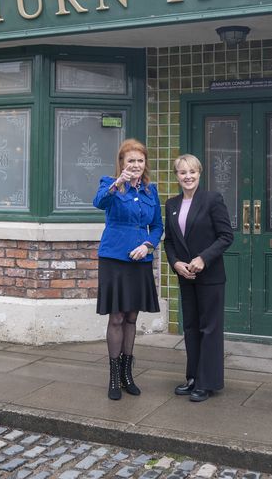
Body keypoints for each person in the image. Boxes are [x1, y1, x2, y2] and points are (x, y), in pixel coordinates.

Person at [93, 138, 163, 400]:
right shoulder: (109, 185)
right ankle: (113, 377)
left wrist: (148, 245)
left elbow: (157, 226)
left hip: (139, 261)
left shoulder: (150, 191)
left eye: (140, 160)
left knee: (132, 317)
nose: (135, 164)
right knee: (117, 317)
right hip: (113, 259)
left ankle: (127, 373)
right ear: (122, 163)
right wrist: (118, 182)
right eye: (130, 160)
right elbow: (98, 202)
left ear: (145, 164)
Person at [163, 154, 233, 402]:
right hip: (186, 276)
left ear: (199, 173)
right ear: (177, 176)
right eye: (183, 172)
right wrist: (175, 263)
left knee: (209, 328)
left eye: (192, 172)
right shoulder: (171, 204)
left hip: (210, 276)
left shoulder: (212, 199)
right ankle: (192, 377)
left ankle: (207, 382)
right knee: (191, 327)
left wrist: (203, 258)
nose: (188, 176)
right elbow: (170, 241)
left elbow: (226, 236)